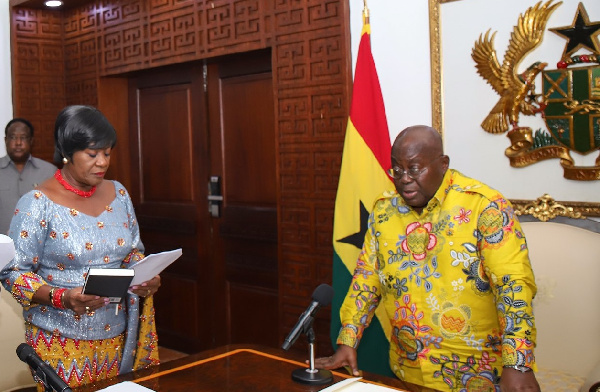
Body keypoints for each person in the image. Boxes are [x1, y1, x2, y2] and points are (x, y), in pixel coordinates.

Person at [316, 125, 539, 392]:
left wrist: (518, 364)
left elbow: (513, 286)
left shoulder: (484, 206)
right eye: (397, 170)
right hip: (408, 370)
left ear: (443, 164)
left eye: (415, 168)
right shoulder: (384, 210)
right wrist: (347, 340)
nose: (404, 179)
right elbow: (367, 279)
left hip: (479, 375)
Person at [0, 105, 161, 390]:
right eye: (92, 154)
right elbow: (13, 272)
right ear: (67, 152)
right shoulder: (37, 203)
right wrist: (62, 297)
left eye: (107, 153)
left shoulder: (119, 194)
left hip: (119, 336)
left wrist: (145, 275)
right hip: (61, 342)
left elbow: (133, 250)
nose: (102, 162)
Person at [0, 118, 57, 234]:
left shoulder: (49, 172)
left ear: (31, 141)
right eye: (13, 137)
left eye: (23, 137)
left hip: (40, 248)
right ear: (5, 140)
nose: (18, 143)